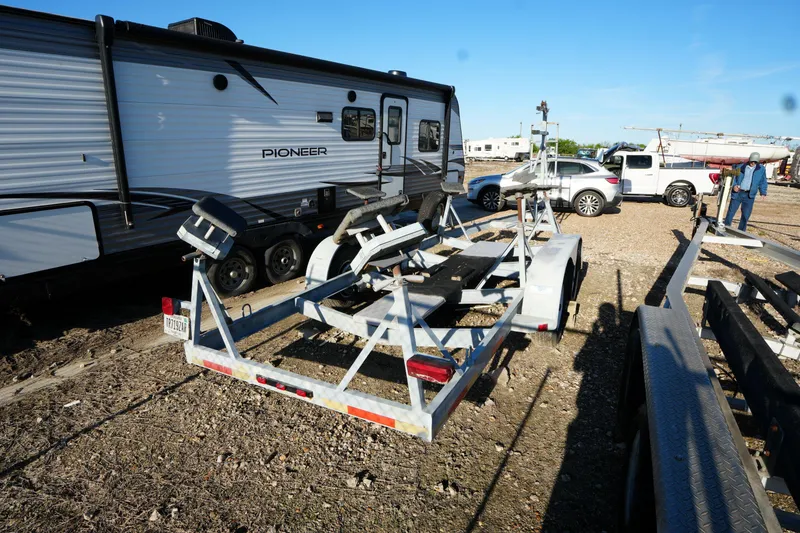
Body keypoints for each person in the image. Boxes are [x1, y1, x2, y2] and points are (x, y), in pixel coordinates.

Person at [724, 151, 768, 231]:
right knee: (731, 211)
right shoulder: (740, 167)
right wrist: (734, 186)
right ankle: (726, 226)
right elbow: (733, 178)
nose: (753, 163)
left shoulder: (761, 169)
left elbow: (763, 181)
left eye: (755, 162)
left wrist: (763, 192)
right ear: (749, 160)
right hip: (738, 193)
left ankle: (741, 231)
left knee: (746, 214)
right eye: (752, 161)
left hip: (749, 195)